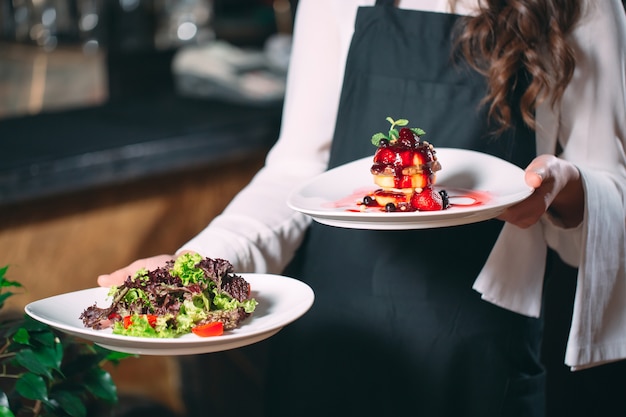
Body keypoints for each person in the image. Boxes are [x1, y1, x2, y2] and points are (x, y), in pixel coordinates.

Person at [98, 0, 626, 416]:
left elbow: (611, 188)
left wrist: (565, 186)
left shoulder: (579, 6)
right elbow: (295, 172)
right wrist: (199, 267)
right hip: (333, 341)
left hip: (477, 354)